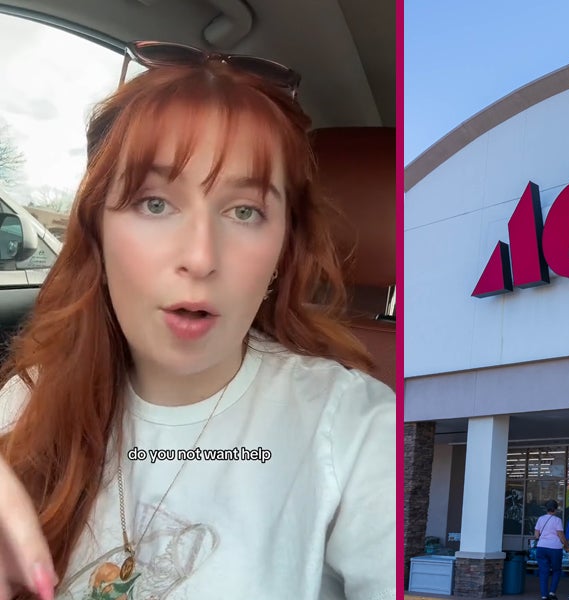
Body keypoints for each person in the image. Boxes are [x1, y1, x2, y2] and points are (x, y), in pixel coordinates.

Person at [0, 41, 395, 599]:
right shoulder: (28, 399)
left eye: (244, 211)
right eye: (155, 203)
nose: (202, 257)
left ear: (283, 250)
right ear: (98, 235)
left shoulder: (357, 430)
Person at [534, 499, 569, 600]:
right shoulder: (557, 520)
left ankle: (544, 596)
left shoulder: (540, 519)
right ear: (556, 509)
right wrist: (566, 545)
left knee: (543, 572)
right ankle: (552, 593)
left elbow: (536, 535)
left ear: (546, 508)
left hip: (541, 547)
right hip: (555, 548)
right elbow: (561, 536)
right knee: (556, 570)